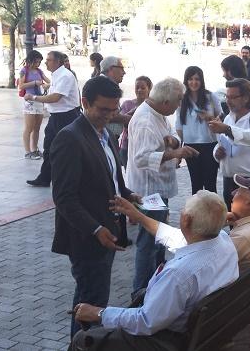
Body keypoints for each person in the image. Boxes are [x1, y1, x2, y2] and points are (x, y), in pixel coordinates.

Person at [70, 191, 238, 350]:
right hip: (207, 330)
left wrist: (99, 313)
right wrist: (140, 217)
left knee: (81, 339)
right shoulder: (223, 241)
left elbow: (145, 321)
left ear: (186, 220)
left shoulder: (178, 275)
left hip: (166, 340)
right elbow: (176, 237)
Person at [50, 76, 140, 339]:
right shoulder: (70, 138)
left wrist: (127, 194)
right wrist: (96, 228)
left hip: (107, 231)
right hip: (86, 237)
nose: (110, 115)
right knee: (91, 301)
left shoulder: (103, 133)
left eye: (114, 109)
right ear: (84, 102)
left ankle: (83, 342)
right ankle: (83, 343)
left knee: (92, 298)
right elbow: (64, 197)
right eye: (103, 109)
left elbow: (110, 176)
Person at [111, 175, 250, 271]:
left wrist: (138, 216)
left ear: (248, 203)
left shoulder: (244, 237)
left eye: (238, 192)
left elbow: (186, 244)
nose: (232, 193)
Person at [126, 78, 200, 295]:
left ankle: (156, 280)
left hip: (159, 188)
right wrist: (175, 153)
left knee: (158, 237)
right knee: (148, 240)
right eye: (177, 101)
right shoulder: (145, 120)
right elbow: (142, 158)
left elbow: (173, 134)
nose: (179, 106)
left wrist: (174, 143)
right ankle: (141, 290)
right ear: (166, 101)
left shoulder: (160, 114)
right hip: (148, 190)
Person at [209, 78, 250, 209]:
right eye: (227, 97)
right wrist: (217, 152)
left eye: (233, 97)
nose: (228, 101)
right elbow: (221, 143)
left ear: (246, 98)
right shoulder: (228, 117)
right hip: (229, 180)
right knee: (234, 223)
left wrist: (227, 129)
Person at [25, 51, 81, 187]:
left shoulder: (65, 76)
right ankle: (44, 177)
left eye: (49, 60)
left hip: (67, 116)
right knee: (49, 147)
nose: (46, 62)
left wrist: (33, 97)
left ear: (57, 62)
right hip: (56, 116)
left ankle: (72, 179)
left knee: (67, 149)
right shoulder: (56, 75)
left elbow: (55, 98)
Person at [175, 66, 223, 194]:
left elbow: (221, 119)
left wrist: (209, 118)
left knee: (210, 184)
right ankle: (196, 213)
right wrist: (180, 146)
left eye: (197, 79)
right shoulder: (182, 99)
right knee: (195, 184)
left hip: (209, 144)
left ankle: (212, 212)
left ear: (201, 80)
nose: (194, 82)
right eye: (190, 79)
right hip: (191, 146)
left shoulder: (210, 96)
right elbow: (179, 126)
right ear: (186, 80)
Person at [18, 50, 50, 160]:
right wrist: (35, 83)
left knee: (37, 127)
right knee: (29, 127)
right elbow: (21, 86)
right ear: (31, 60)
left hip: (39, 99)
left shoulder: (39, 71)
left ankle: (34, 149)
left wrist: (47, 85)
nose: (38, 64)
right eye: (36, 62)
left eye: (39, 62)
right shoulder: (24, 71)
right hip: (29, 100)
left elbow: (48, 81)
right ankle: (28, 151)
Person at [119, 76, 152, 167]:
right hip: (128, 146)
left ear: (149, 89)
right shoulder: (127, 104)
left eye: (143, 88)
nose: (139, 90)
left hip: (148, 148)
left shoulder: (154, 106)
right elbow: (122, 123)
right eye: (137, 87)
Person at [99, 56, 130, 141]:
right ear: (111, 69)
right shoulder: (103, 84)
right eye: (121, 68)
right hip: (104, 138)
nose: (124, 72)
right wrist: (129, 119)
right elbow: (106, 114)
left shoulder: (108, 84)